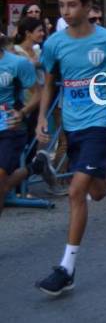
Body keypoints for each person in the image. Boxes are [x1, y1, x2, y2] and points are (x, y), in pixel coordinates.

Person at [33, 0, 106, 296]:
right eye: (61, 5)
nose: (66, 11)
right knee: (98, 190)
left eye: (72, 4)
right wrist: (42, 118)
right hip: (71, 124)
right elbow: (49, 83)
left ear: (88, 5)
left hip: (98, 123)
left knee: (77, 191)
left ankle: (66, 268)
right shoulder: (54, 43)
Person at [0, 35, 41, 217]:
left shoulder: (17, 63)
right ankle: (35, 167)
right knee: (3, 185)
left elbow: (37, 93)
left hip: (9, 128)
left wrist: (22, 113)